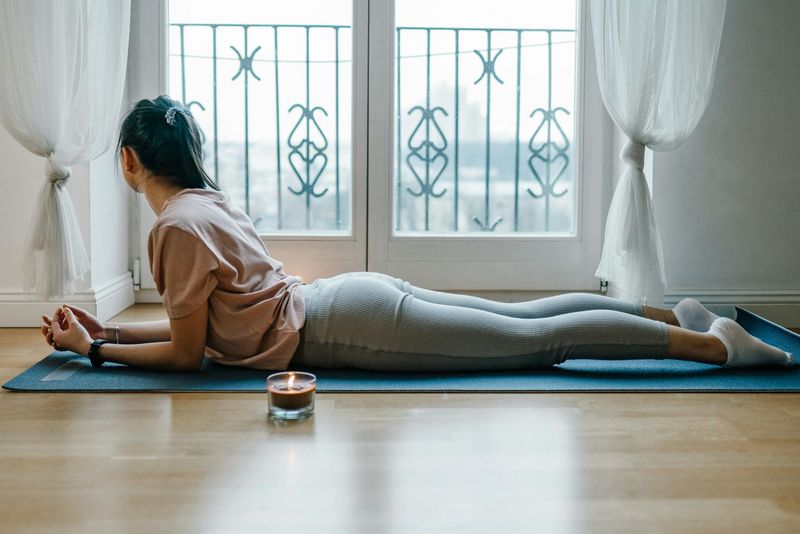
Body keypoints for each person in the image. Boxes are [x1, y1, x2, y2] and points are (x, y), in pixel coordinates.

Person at [41, 96, 794, 372]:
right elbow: (192, 332)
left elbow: (185, 354)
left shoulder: (174, 227)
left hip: (349, 328)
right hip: (353, 297)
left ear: (131, 162)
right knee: (525, 316)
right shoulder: (207, 203)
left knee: (543, 344)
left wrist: (97, 352)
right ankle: (679, 315)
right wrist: (103, 327)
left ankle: (713, 346)